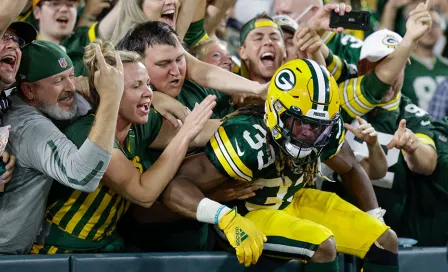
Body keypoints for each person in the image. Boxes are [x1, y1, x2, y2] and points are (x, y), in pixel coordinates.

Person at [160, 59, 399, 271]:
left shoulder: (327, 128)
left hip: (291, 200)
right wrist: (224, 217)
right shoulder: (249, 138)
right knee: (323, 245)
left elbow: (350, 167)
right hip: (250, 214)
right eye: (300, 123)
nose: (309, 133)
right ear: (276, 111)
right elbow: (175, 186)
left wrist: (374, 217)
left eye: (317, 126)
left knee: (385, 239)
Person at [31, 40, 217, 254]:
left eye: (148, 84)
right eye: (136, 86)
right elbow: (143, 193)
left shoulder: (138, 125)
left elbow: (201, 132)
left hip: (103, 246)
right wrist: (184, 135)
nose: (149, 93)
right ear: (110, 92)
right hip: (60, 250)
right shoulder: (88, 133)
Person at [0, 39, 123, 255]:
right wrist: (111, 99)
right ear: (28, 90)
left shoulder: (28, 100)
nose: (71, 87)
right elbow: (82, 175)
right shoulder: (27, 127)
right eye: (58, 81)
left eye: (72, 76)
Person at [118, 21, 269, 118]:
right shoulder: (142, 109)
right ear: (138, 65)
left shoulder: (198, 89)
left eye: (179, 59)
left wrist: (257, 90)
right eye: (163, 64)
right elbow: (197, 134)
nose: (176, 71)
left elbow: (204, 73)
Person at [32, 0, 120, 76]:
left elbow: (121, 14)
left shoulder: (84, 40)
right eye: (55, 3)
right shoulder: (25, 52)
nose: (64, 9)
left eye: (70, 4)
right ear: (37, 12)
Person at [400, 1, 448, 110]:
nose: (428, 29)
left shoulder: (446, 66)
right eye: (422, 23)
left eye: (434, 24)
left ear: (442, 30)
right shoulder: (400, 65)